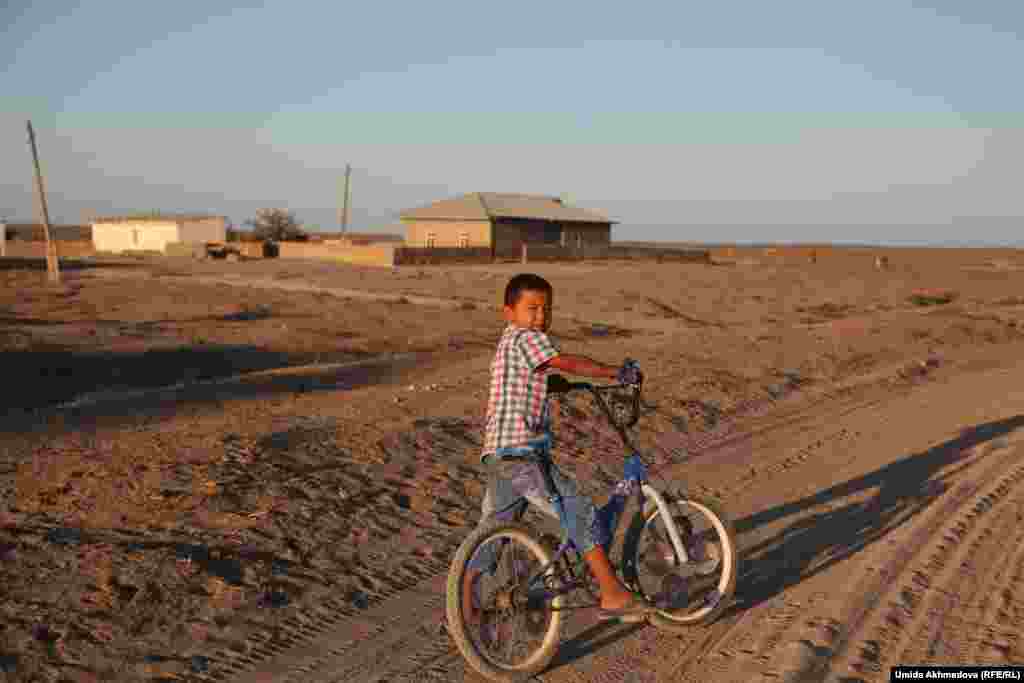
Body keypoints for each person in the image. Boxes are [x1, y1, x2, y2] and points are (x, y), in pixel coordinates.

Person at [463, 272, 649, 625]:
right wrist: (613, 373)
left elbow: (536, 377)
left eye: (546, 310)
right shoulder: (528, 338)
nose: (540, 317)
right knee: (577, 510)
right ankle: (611, 593)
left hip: (500, 455)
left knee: (496, 524)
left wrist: (558, 383)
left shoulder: (509, 343)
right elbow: (563, 360)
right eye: (531, 308)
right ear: (509, 312)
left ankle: (464, 604)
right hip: (521, 454)